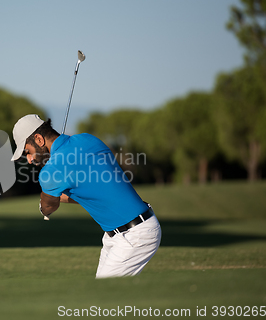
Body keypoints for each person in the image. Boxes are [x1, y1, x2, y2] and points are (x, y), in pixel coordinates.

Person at [10, 114, 161, 278]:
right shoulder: (88, 139)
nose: (30, 160)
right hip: (120, 233)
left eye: (27, 152)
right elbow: (96, 192)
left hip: (133, 235)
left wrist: (44, 207)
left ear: (39, 139)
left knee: (102, 298)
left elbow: (49, 206)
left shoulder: (50, 172)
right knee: (104, 294)